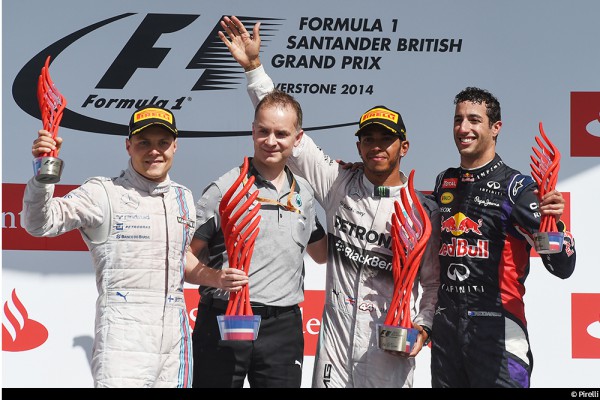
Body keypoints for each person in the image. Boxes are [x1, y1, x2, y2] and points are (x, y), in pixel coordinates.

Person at [218, 15, 440, 388]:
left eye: (386, 140)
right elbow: (288, 135)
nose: (376, 147)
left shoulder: (422, 210)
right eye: (368, 139)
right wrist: (255, 69)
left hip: (389, 350)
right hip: (335, 349)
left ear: (404, 147)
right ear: (359, 145)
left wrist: (423, 327)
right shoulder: (339, 182)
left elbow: (432, 284)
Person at [22, 106, 242, 388]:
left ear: (175, 146)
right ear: (128, 146)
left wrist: (216, 277)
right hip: (123, 347)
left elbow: (179, 260)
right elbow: (39, 223)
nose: (154, 151)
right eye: (144, 143)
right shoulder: (103, 193)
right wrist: (43, 173)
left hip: (175, 346)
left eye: (163, 143)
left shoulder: (183, 197)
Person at [428, 87, 577, 388]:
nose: (463, 128)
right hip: (446, 331)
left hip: (496, 327)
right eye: (458, 120)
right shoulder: (446, 180)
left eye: (474, 120)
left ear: (495, 128)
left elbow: (562, 267)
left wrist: (555, 226)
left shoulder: (517, 188)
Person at [186, 88, 327, 388]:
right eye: (263, 131)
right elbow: (183, 255)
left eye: (281, 133)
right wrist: (215, 277)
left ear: (298, 138)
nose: (271, 141)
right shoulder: (224, 188)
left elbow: (322, 253)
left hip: (282, 328)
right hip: (225, 319)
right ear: (252, 131)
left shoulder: (304, 191)